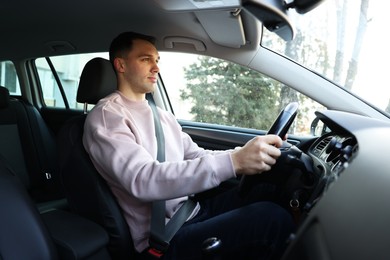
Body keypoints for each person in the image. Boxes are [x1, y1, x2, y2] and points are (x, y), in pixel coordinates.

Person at [83, 31, 295, 259]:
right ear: (121, 65)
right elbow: (143, 179)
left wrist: (246, 153)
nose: (156, 67)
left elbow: (196, 154)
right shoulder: (107, 117)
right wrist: (235, 162)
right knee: (271, 219)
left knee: (272, 189)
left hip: (191, 211)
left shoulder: (162, 116)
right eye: (145, 60)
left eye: (157, 60)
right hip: (163, 238)